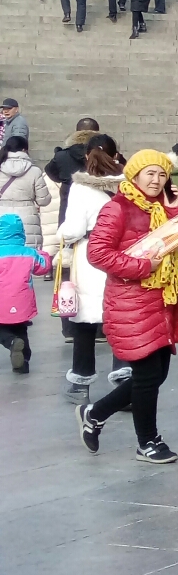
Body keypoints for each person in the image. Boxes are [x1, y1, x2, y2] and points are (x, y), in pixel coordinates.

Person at [81, 147, 178, 462]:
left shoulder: (160, 207)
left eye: (162, 174)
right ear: (134, 175)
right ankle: (148, 442)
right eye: (150, 173)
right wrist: (142, 268)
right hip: (131, 303)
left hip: (163, 299)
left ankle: (95, 412)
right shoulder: (118, 208)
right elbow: (97, 253)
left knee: (156, 374)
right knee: (148, 376)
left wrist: (176, 210)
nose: (156, 179)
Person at [53, 144, 127, 391]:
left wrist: (62, 232)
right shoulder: (128, 185)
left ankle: (81, 382)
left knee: (84, 320)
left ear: (86, 157)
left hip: (90, 255)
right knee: (120, 317)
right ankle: (123, 377)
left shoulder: (80, 187)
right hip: (123, 253)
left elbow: (73, 229)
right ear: (117, 155)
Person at [0, 212, 51, 374]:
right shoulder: (29, 253)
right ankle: (23, 363)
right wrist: (42, 253)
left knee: (3, 328)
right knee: (21, 328)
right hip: (23, 301)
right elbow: (43, 267)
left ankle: (11, 341)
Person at [0, 128, 52, 250]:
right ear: (24, 150)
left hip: (2, 217)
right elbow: (43, 200)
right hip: (27, 221)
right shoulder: (34, 171)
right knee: (27, 260)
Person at [45, 119, 102, 218]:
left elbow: (50, 172)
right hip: (99, 210)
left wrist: (66, 179)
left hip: (69, 209)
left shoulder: (61, 156)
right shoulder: (106, 156)